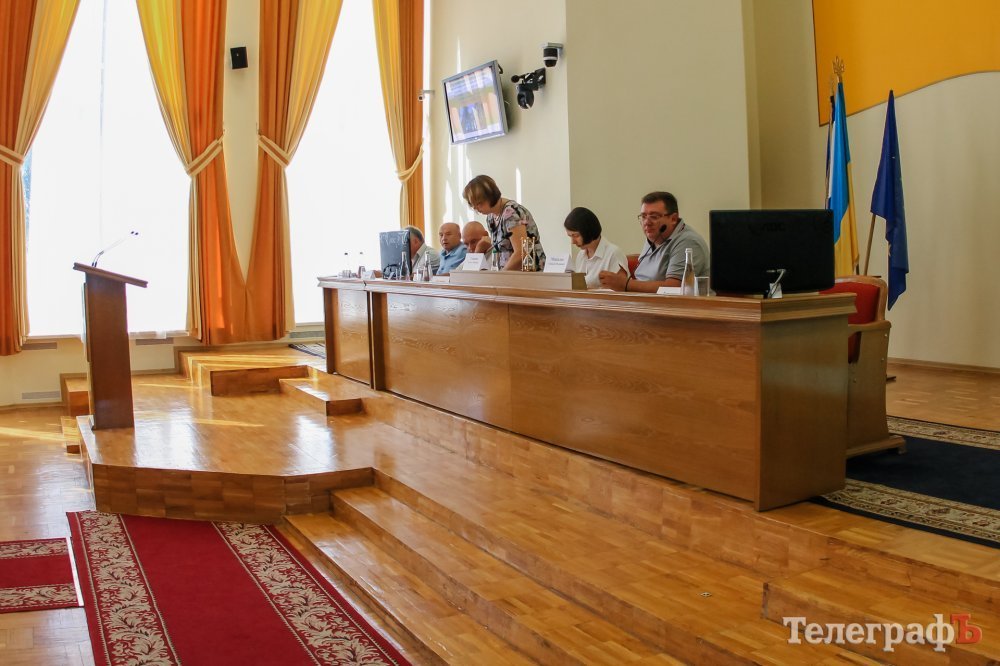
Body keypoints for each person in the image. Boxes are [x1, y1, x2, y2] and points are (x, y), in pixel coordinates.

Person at [599, 191, 708, 292]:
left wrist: (626, 284)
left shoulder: (688, 242)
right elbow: (642, 279)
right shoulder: (655, 236)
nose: (647, 222)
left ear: (673, 219)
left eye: (654, 217)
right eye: (643, 216)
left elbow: (674, 288)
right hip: (645, 302)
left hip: (678, 305)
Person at [463, 175, 545, 271]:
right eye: (472, 205)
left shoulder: (512, 213)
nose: (475, 208)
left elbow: (521, 253)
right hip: (508, 274)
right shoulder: (490, 217)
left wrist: (500, 276)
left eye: (478, 203)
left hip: (529, 273)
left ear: (490, 196)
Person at [564, 207, 628, 289]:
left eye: (576, 236)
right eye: (570, 236)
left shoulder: (613, 253)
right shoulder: (581, 255)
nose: (572, 242)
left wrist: (590, 291)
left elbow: (621, 289)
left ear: (588, 231)